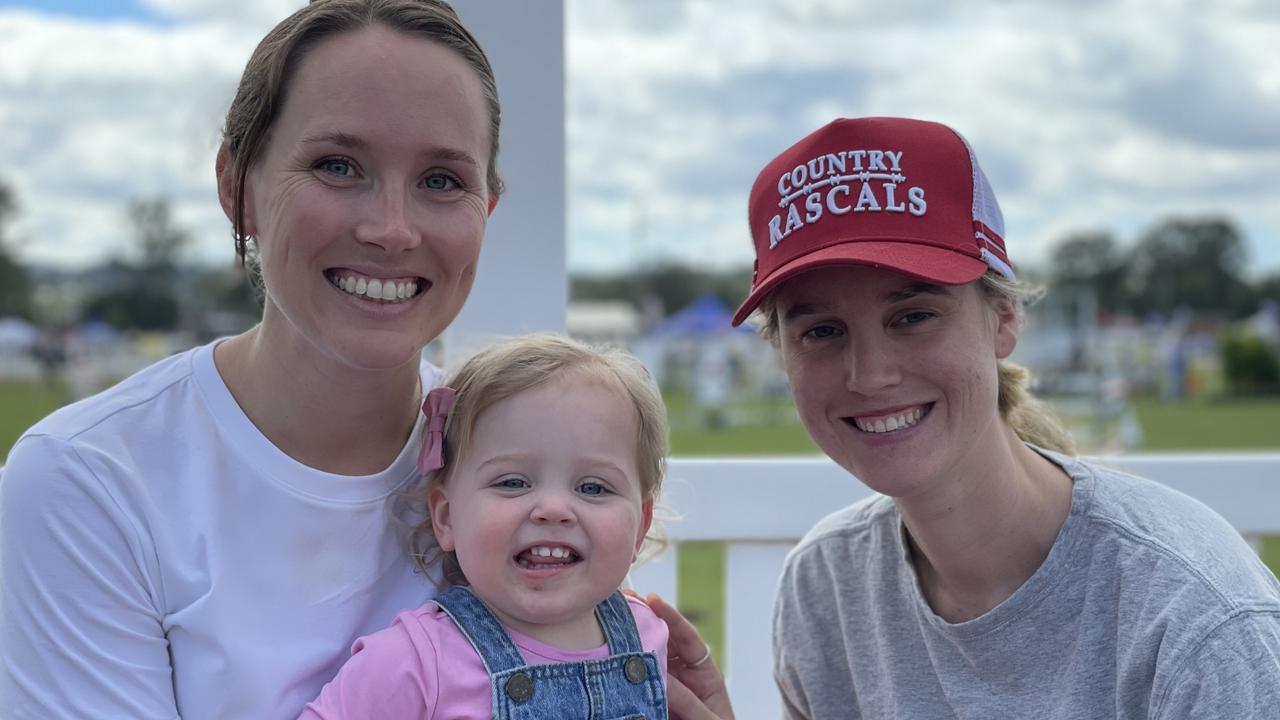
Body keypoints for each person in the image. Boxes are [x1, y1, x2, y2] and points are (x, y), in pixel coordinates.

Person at [679, 116, 1280, 718]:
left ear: (1004, 317)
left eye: (913, 316)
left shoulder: (1198, 622)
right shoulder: (828, 586)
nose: (870, 374)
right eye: (822, 331)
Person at [0, 2, 504, 717]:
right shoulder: (92, 479)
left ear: (488, 209)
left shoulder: (524, 458)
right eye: (338, 166)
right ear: (238, 188)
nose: (391, 229)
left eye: (442, 180)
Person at [299, 333, 671, 718]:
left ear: (640, 525)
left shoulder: (647, 636)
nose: (553, 509)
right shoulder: (414, 662)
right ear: (446, 518)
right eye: (513, 483)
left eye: (593, 487)